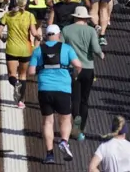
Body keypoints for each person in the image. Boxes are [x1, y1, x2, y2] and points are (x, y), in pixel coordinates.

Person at [28, 23, 82, 164]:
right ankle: (64, 141)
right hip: (63, 89)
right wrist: (74, 75)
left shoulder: (38, 50)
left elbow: (31, 72)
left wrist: (42, 70)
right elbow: (78, 65)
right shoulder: (67, 48)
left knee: (47, 122)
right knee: (65, 119)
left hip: (44, 89)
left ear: (46, 35)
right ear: (59, 35)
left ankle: (49, 154)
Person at [62, 4, 103, 141]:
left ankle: (76, 121)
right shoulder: (91, 31)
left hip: (72, 68)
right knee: (84, 100)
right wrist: (101, 54)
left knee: (75, 98)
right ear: (86, 18)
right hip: (88, 68)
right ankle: (81, 130)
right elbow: (96, 49)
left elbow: (61, 47)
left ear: (75, 17)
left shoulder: (66, 30)